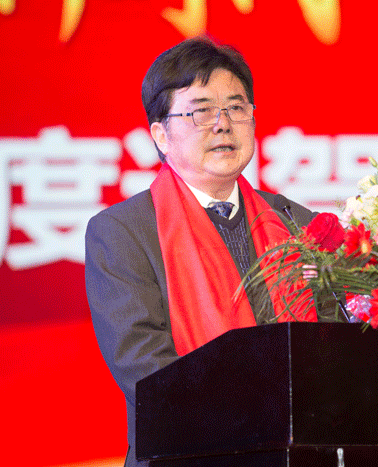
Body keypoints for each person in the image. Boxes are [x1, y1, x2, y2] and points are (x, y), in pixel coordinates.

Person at [85, 37, 319, 467]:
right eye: (201, 111)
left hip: (300, 454)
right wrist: (260, 412)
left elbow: (335, 341)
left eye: (236, 107)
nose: (223, 124)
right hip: (184, 456)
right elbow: (144, 368)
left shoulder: (296, 222)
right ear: (161, 134)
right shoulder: (123, 232)